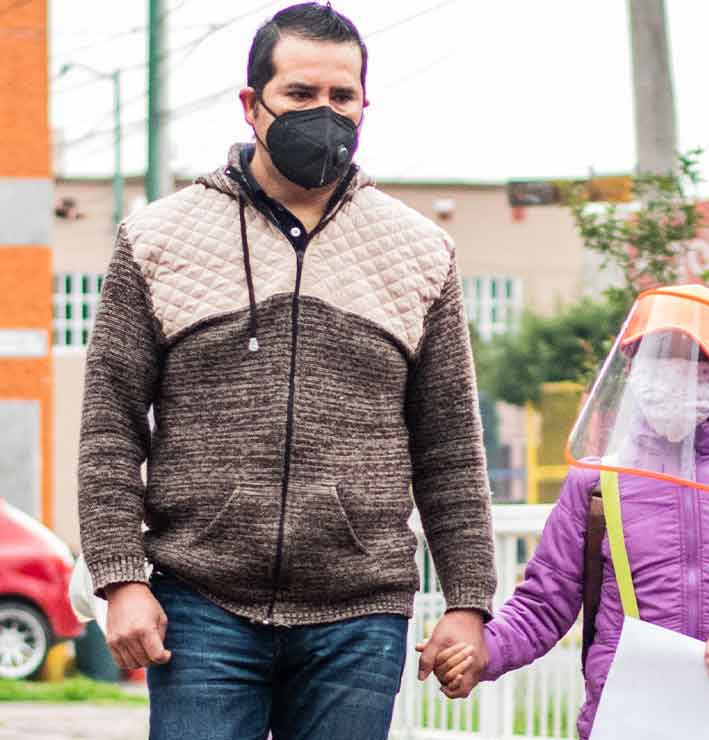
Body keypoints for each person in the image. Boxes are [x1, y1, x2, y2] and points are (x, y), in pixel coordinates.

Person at [76, 4, 495, 738]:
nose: (324, 113)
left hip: (359, 613)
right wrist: (120, 580)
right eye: (301, 95)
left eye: (343, 97)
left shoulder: (421, 252)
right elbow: (109, 425)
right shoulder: (157, 237)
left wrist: (468, 600)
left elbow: (451, 447)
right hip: (200, 603)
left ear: (365, 105)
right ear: (252, 104)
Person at [420, 284, 709, 739]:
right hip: (626, 723)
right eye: (657, 355)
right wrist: (483, 654)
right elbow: (543, 604)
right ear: (631, 366)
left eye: (696, 359)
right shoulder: (596, 484)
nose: (673, 371)